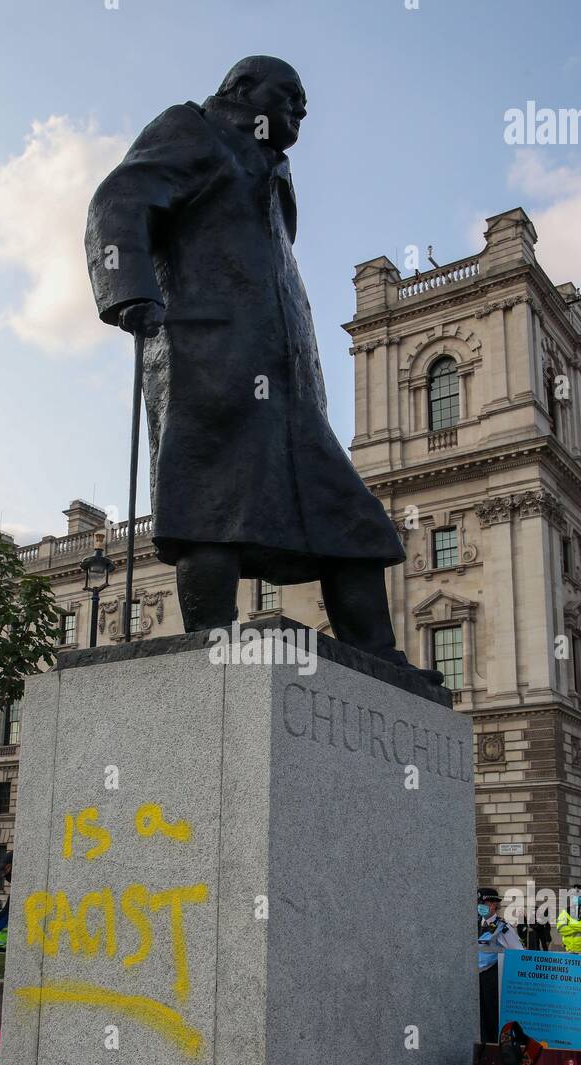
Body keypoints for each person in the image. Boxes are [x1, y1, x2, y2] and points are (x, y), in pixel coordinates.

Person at [84, 55, 442, 676]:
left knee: (346, 514)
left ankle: (377, 655)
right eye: (290, 94)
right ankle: (208, 642)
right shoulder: (192, 129)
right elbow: (118, 198)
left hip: (288, 377)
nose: (302, 107)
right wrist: (129, 290)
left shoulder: (274, 170)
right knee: (211, 500)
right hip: (208, 353)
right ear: (244, 90)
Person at [477, 888, 523, 1043]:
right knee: (479, 1018)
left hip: (492, 977)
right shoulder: (475, 924)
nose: (481, 906)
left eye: (485, 903)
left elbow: (518, 953)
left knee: (492, 1016)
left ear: (494, 905)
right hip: (476, 978)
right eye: (479, 903)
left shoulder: (503, 927)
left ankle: (494, 1047)